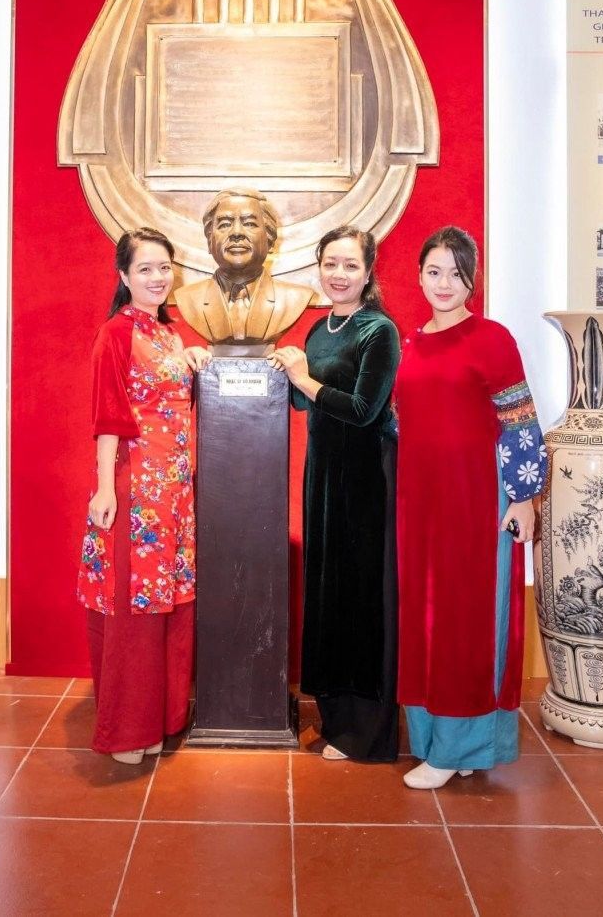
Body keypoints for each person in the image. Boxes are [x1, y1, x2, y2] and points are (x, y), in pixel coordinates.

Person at [396, 226, 547, 789]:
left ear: (472, 280)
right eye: (434, 272)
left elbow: (521, 423)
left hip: (477, 501)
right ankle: (440, 743)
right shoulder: (411, 344)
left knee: (467, 619)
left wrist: (525, 498)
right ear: (418, 276)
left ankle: (463, 745)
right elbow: (405, 423)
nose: (444, 284)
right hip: (419, 505)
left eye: (456, 274)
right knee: (425, 620)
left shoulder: (492, 339)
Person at [77, 227, 210, 764]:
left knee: (168, 604)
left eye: (163, 268)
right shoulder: (115, 333)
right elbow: (108, 415)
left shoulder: (169, 334)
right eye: (145, 269)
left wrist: (193, 357)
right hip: (136, 489)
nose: (157, 278)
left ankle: (162, 719)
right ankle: (128, 730)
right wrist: (105, 487)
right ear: (124, 276)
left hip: (175, 490)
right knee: (135, 607)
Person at [270, 225, 399, 761]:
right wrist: (278, 369)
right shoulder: (319, 329)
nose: (339, 274)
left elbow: (365, 410)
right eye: (330, 263)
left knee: (361, 597)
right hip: (322, 474)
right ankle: (334, 718)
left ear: (368, 272)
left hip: (366, 478)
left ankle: (366, 734)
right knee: (328, 593)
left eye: (350, 265)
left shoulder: (379, 331)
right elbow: (306, 405)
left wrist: (302, 378)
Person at [174, 187, 315, 345]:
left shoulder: (293, 298)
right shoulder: (188, 298)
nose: (236, 232)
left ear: (269, 239)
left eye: (249, 224)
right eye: (224, 224)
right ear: (209, 240)